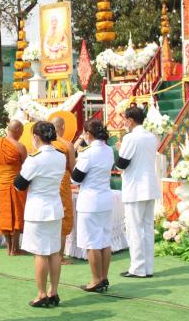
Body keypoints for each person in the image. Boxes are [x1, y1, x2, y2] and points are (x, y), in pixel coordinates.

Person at [14, 121, 65, 308]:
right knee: (54, 253)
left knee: (40, 254)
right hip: (54, 207)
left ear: (35, 137)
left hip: (38, 210)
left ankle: (42, 293)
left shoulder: (35, 158)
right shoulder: (60, 156)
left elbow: (19, 183)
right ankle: (54, 291)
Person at [117, 106, 161, 278]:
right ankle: (147, 267)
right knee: (147, 227)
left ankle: (137, 268)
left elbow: (122, 163)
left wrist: (120, 148)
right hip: (149, 186)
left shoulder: (130, 138)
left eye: (125, 120)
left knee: (134, 229)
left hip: (135, 187)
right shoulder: (151, 136)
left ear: (130, 120)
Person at [71, 119, 114, 292]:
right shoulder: (109, 150)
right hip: (105, 198)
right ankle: (103, 277)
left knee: (92, 242)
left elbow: (76, 178)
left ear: (88, 134)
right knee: (104, 240)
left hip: (90, 201)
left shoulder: (87, 153)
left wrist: (78, 149)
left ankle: (96, 279)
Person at [0, 120, 27, 256]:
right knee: (16, 215)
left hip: (1, 185)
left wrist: (0, 180)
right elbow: (26, 169)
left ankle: (8, 247)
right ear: (17, 130)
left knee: (4, 215)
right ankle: (14, 248)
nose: (22, 134)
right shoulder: (20, 147)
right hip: (16, 185)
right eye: (21, 131)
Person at [51, 117, 75, 264]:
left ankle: (49, 254)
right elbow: (72, 168)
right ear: (62, 127)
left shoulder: (43, 145)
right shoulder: (67, 145)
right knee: (64, 215)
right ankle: (59, 256)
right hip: (63, 180)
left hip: (48, 181)